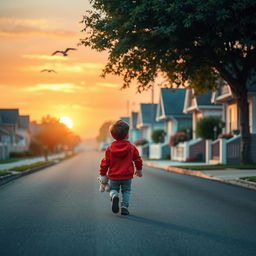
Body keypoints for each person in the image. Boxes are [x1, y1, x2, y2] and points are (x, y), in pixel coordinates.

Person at [99, 120, 143, 215]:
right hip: (127, 176)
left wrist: (103, 174)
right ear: (127, 135)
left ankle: (114, 196)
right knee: (126, 191)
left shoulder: (109, 148)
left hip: (114, 176)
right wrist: (139, 170)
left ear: (112, 136)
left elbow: (105, 162)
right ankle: (124, 207)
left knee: (113, 189)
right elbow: (138, 160)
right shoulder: (132, 147)